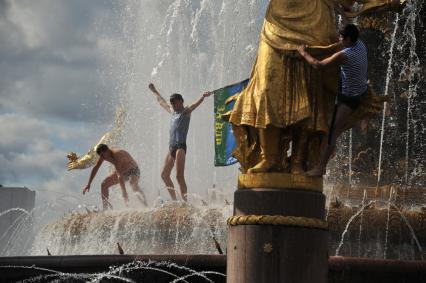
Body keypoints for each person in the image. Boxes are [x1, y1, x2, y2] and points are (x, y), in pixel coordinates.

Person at [297, 23, 368, 176]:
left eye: (341, 38)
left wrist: (303, 52)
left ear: (349, 40)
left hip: (350, 98)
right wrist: (341, 11)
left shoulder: (346, 54)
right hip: (360, 87)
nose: (339, 39)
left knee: (332, 131)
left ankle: (320, 168)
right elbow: (350, 22)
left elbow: (319, 65)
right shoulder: (360, 44)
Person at [148, 83, 212, 201]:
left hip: (180, 147)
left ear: (181, 101)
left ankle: (185, 202)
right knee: (164, 175)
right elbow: (161, 101)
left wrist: (203, 96)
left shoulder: (186, 111)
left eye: (175, 102)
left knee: (179, 176)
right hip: (171, 147)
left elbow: (194, 105)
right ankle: (175, 201)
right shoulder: (172, 112)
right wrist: (154, 90)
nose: (172, 104)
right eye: (171, 102)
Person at [82, 144, 147, 210]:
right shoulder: (104, 155)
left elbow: (120, 176)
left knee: (133, 185)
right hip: (123, 172)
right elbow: (96, 168)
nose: (102, 158)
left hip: (133, 170)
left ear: (107, 150)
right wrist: (89, 183)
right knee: (104, 184)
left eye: (102, 155)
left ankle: (146, 206)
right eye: (100, 156)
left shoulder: (117, 155)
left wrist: (124, 192)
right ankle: (105, 210)